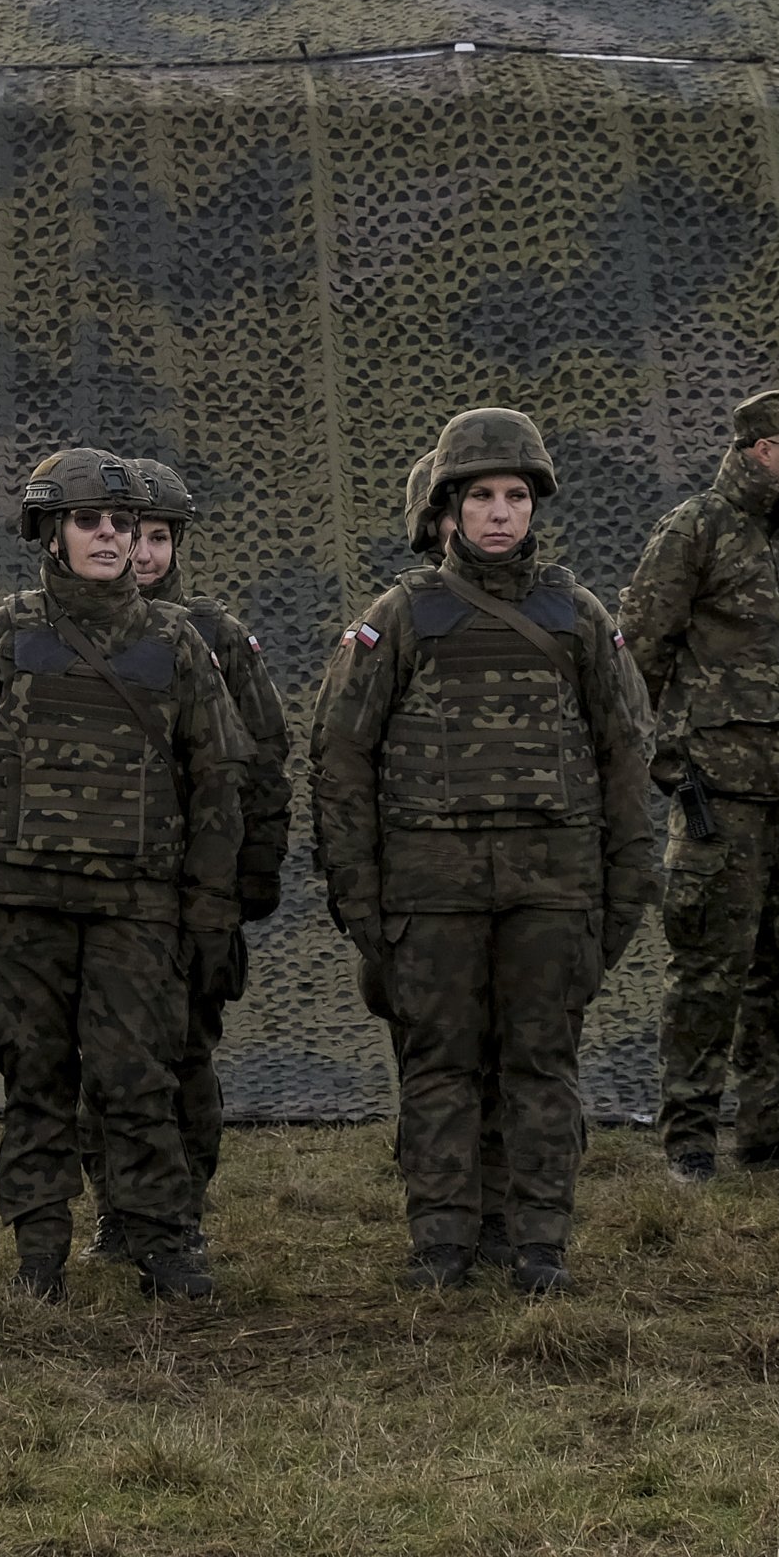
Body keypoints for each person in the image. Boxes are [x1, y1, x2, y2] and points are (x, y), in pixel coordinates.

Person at [314, 408, 656, 1291]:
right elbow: (342, 758)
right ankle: (442, 1242)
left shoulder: (578, 616)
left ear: (534, 506)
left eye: (515, 496)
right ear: (446, 510)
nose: (501, 513)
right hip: (432, 894)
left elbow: (625, 753)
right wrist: (362, 898)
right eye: (481, 497)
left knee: (541, 1064)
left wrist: (623, 889)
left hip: (554, 888)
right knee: (440, 1066)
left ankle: (538, 1241)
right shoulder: (401, 616)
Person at [0, 447, 246, 1301]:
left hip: (137, 910)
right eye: (90, 520)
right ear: (51, 532)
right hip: (20, 905)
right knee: (35, 1079)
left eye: (123, 522)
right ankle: (38, 1253)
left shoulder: (176, 643)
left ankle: (163, 1243)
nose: (110, 535)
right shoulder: (0, 636)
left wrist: (210, 911)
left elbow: (216, 784)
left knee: (139, 1078)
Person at [620, 388, 779, 1179]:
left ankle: (769, 1121)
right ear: (762, 450)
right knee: (710, 965)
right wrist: (657, 762)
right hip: (718, 796)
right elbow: (640, 654)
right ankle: (688, 1131)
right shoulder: (696, 530)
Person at [85, 456, 288, 1249]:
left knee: (188, 1055)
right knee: (102, 1061)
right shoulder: (56, 633)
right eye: (128, 533)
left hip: (194, 891)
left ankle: (181, 1213)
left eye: (157, 536)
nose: (140, 553)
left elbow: (263, 762)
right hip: (104, 888)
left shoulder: (217, 639)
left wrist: (252, 877)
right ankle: (113, 1208)